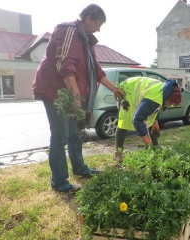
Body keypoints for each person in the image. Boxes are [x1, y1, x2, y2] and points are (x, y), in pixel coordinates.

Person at [31, 4, 125, 193]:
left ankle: (80, 169)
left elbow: (97, 70)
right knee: (60, 136)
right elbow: (65, 64)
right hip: (55, 93)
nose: (99, 28)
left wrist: (114, 88)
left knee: (76, 133)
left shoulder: (87, 41)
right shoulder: (68, 30)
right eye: (98, 23)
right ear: (88, 19)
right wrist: (75, 95)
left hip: (72, 94)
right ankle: (59, 182)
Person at [114, 77, 182, 161]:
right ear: (168, 98)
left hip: (138, 90)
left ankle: (155, 145)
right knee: (124, 122)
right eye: (171, 103)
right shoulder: (153, 100)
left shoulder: (165, 90)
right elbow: (137, 120)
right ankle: (118, 153)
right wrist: (146, 139)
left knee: (150, 121)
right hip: (127, 92)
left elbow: (157, 108)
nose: (170, 105)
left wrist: (155, 122)